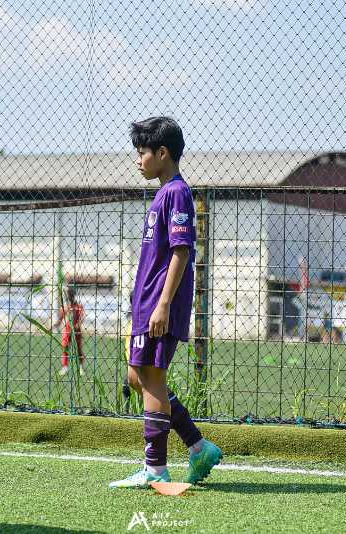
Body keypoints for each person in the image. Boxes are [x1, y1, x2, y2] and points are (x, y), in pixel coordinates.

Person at [110, 117, 222, 489]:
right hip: (145, 304)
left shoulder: (177, 192)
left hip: (159, 305)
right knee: (137, 377)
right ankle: (198, 446)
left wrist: (162, 304)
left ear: (162, 153)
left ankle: (155, 468)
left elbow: (181, 251)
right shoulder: (162, 194)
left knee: (152, 379)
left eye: (142, 152)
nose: (137, 160)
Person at [52, 287, 85, 376]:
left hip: (76, 331)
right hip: (67, 330)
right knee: (65, 348)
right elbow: (60, 319)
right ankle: (65, 367)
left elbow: (82, 318)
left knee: (78, 349)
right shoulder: (66, 307)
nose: (68, 297)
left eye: (70, 295)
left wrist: (78, 325)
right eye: (67, 296)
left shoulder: (79, 307)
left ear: (73, 295)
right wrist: (53, 326)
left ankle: (80, 367)